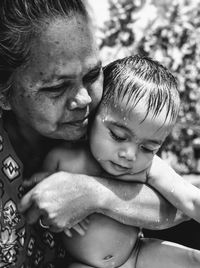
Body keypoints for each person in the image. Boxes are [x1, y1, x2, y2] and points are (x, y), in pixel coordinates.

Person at [0, 0, 192, 267]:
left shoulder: (102, 128)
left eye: (92, 75)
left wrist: (94, 194)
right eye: (56, 88)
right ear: (4, 93)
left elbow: (176, 206)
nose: (83, 99)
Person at [43, 55, 200, 268]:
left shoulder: (150, 167)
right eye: (118, 136)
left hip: (137, 254)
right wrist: (59, 216)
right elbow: (41, 197)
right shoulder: (63, 158)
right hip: (83, 263)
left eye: (148, 147)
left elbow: (191, 200)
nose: (130, 154)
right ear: (93, 116)